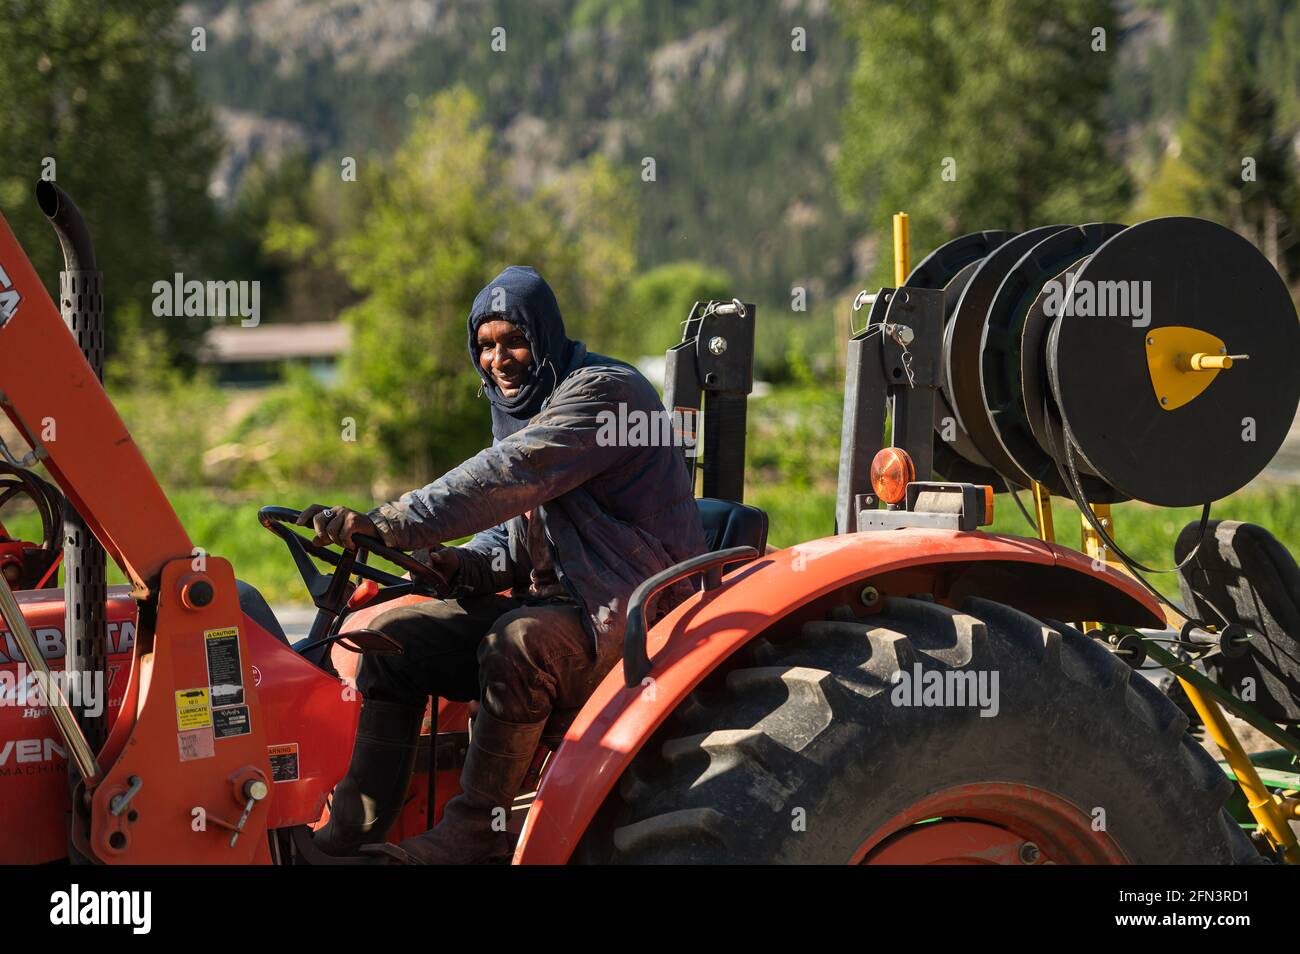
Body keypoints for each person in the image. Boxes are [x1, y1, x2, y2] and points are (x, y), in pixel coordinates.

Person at [301, 265, 707, 864]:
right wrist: (457, 565)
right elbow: (515, 539)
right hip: (566, 605)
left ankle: (478, 832)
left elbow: (513, 474)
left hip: (635, 608)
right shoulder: (525, 408)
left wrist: (392, 521)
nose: (498, 359)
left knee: (515, 642)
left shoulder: (603, 393)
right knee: (389, 641)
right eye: (485, 346)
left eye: (513, 341)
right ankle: (354, 835)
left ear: (544, 335)